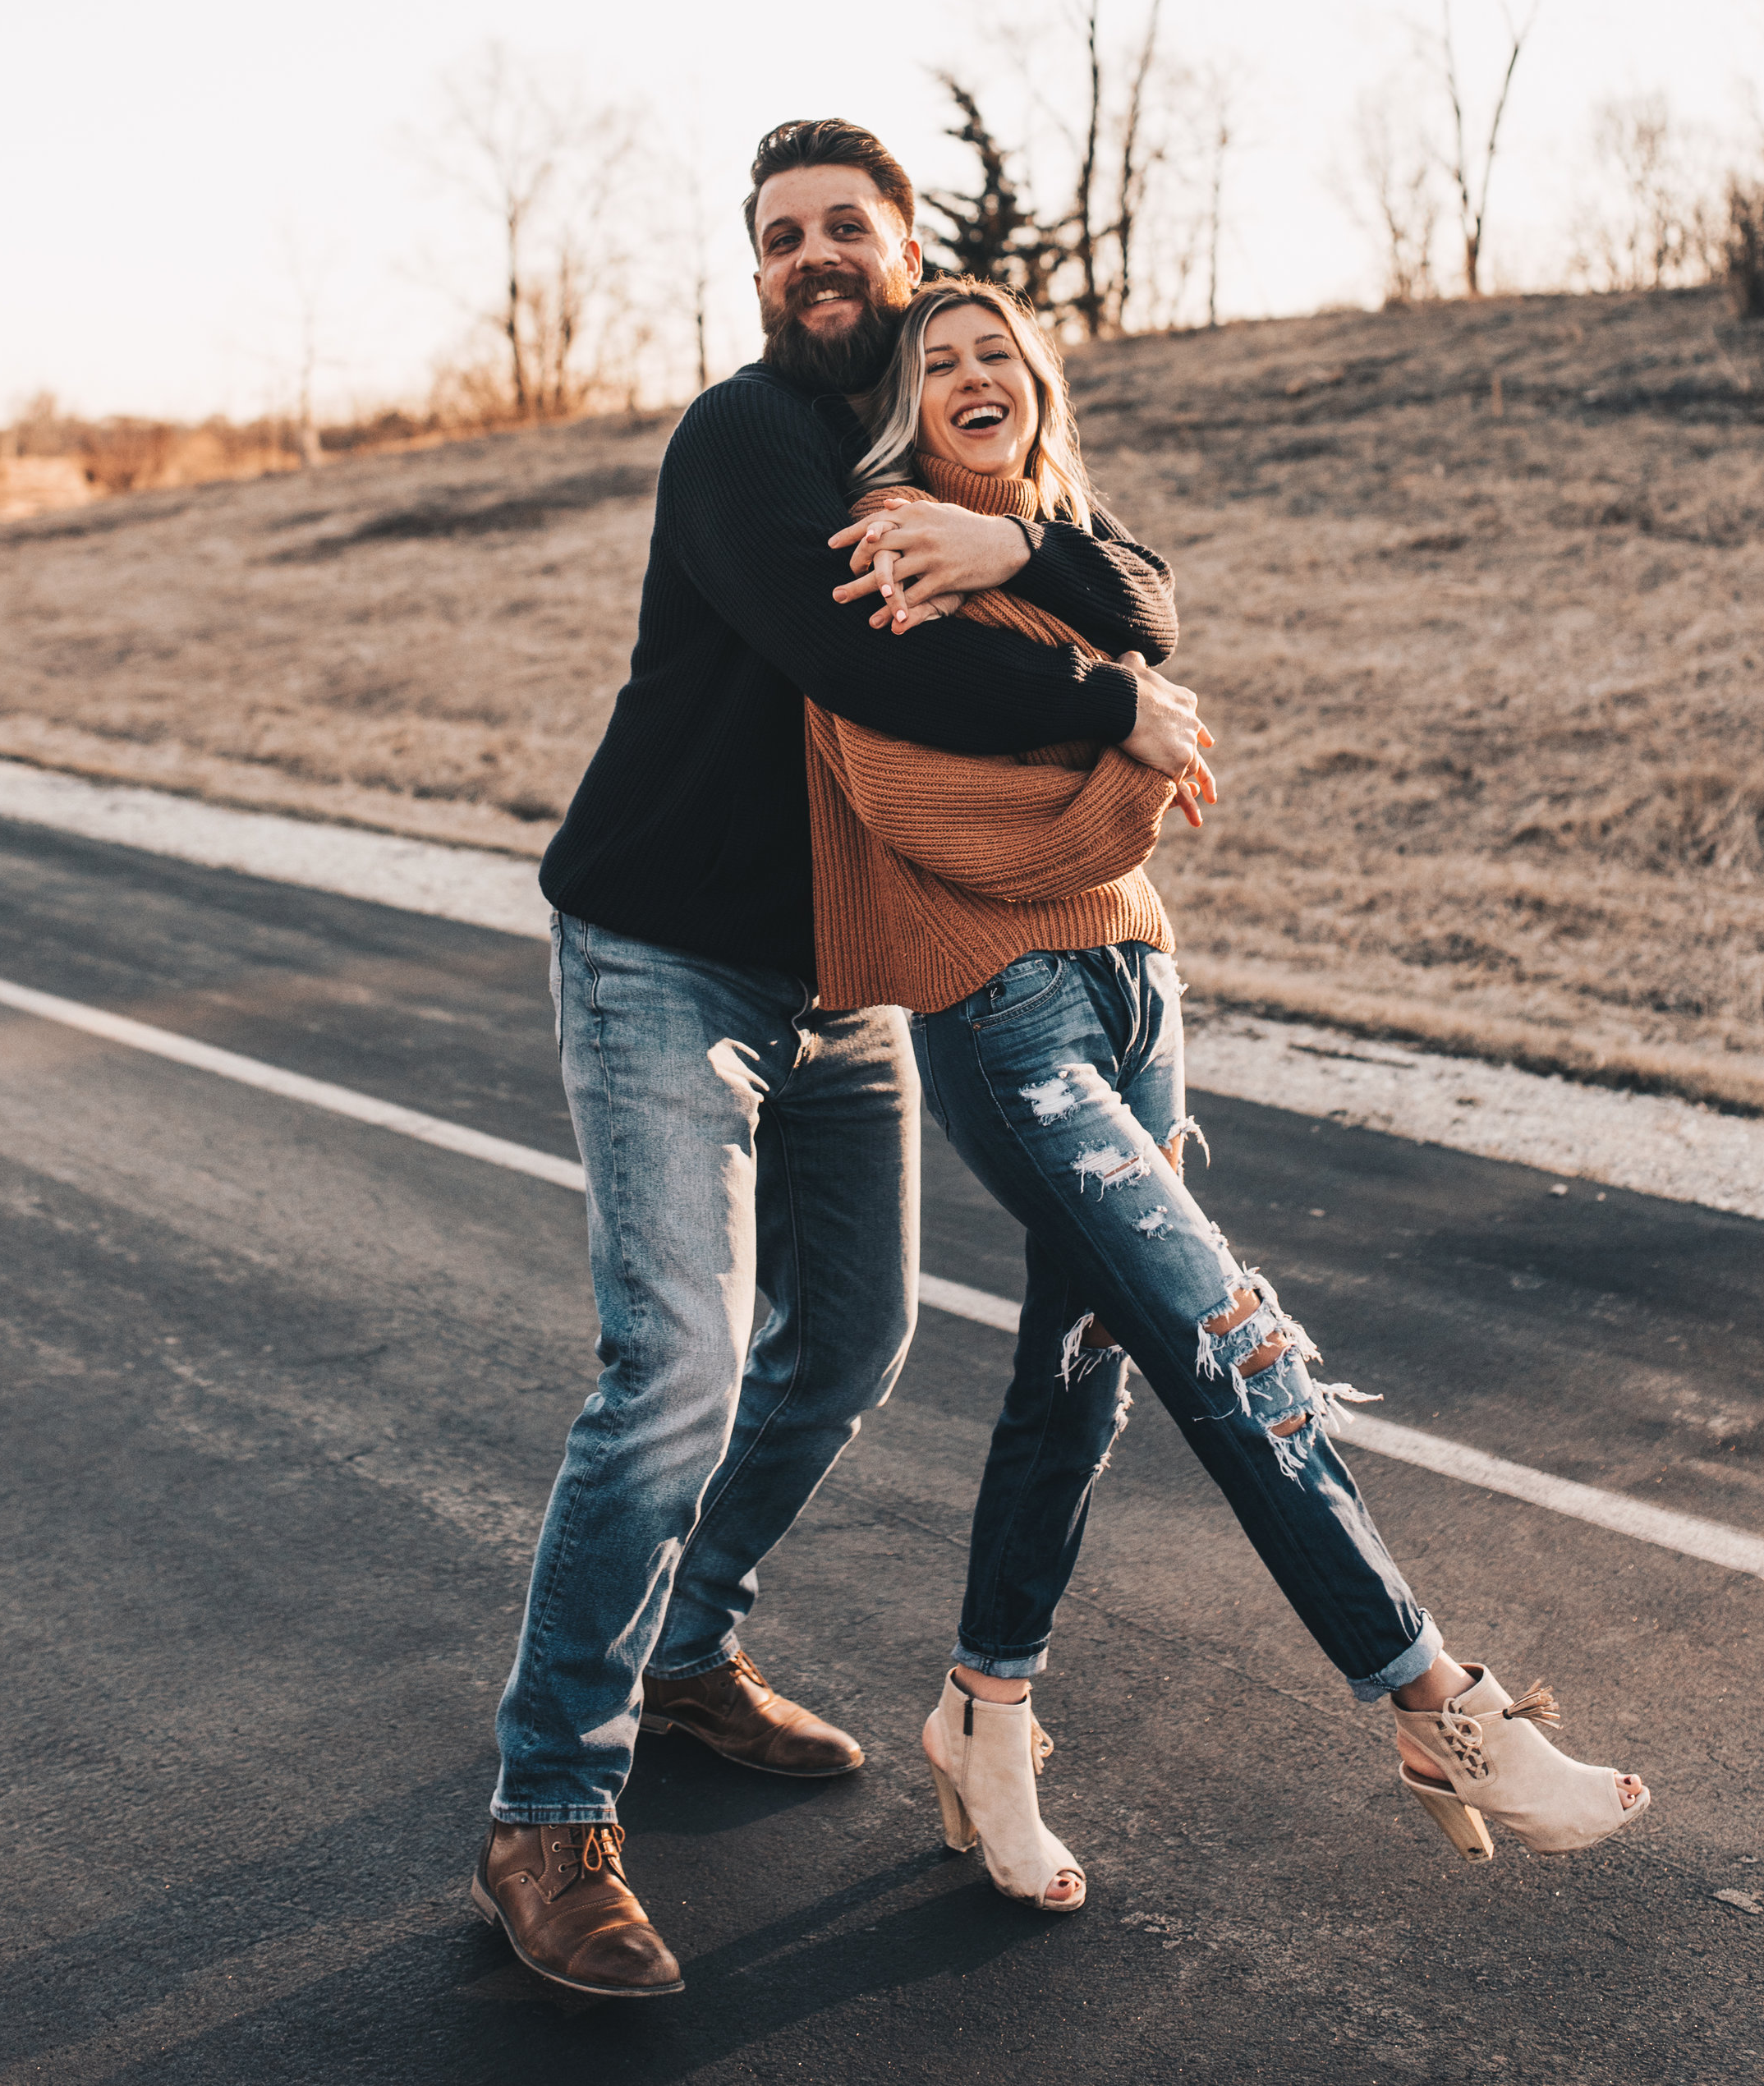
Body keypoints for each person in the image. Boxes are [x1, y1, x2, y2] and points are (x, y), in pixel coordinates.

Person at [471, 122, 1213, 1999]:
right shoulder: (741, 442)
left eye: (843, 230)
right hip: (662, 956)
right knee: (679, 1365)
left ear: (904, 253)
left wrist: (1023, 541)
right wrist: (1109, 699)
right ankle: (546, 1805)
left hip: (843, 972)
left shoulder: (928, 433)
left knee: (854, 1338)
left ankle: (688, 1642)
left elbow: (1139, 577)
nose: (811, 254)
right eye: (779, 234)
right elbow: (867, 658)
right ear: (756, 272)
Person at [806, 277, 1651, 1914]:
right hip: (1002, 1008)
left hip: (1135, 989)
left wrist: (1093, 681)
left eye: (1000, 353)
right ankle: (1434, 1706)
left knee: (1084, 1370)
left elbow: (1146, 611)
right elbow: (937, 827)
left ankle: (981, 1717)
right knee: (1215, 1330)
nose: (975, 374)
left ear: (1039, 387)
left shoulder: (1063, 547)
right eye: (938, 362)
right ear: (900, 408)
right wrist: (1129, 775)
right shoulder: (875, 552)